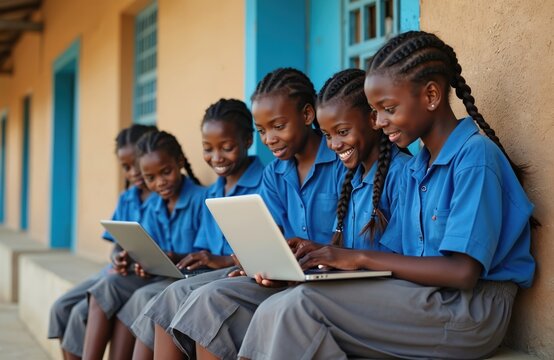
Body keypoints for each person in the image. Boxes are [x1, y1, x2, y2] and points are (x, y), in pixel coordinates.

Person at [237, 31, 537, 360]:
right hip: (422, 296)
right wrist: (320, 258)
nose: (379, 122)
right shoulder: (416, 169)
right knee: (281, 304)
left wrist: (359, 258)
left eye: (388, 108)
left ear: (432, 95)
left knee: (301, 307)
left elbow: (462, 273)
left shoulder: (474, 157)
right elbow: (400, 262)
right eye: (376, 111)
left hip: (469, 312)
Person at [163, 67, 361, 359]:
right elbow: (271, 236)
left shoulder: (341, 161)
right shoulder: (275, 173)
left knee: (209, 299)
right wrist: (253, 259)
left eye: (278, 126)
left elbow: (349, 242)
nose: (269, 138)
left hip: (327, 279)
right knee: (179, 293)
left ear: (307, 116)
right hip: (286, 276)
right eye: (262, 130)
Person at [82, 130, 205, 360]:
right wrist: (138, 259)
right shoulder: (155, 204)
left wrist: (172, 257)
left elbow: (206, 256)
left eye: (166, 172)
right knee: (106, 285)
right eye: (150, 178)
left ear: (179, 162)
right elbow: (150, 247)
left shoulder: (202, 199)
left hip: (188, 278)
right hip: (159, 276)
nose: (159, 182)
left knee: (141, 297)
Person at [47, 124, 156, 360]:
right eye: (126, 167)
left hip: (138, 275)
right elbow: (117, 243)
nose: (133, 173)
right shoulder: (128, 198)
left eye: (137, 164)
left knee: (79, 313)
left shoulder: (164, 195)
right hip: (117, 271)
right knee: (61, 308)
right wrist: (116, 257)